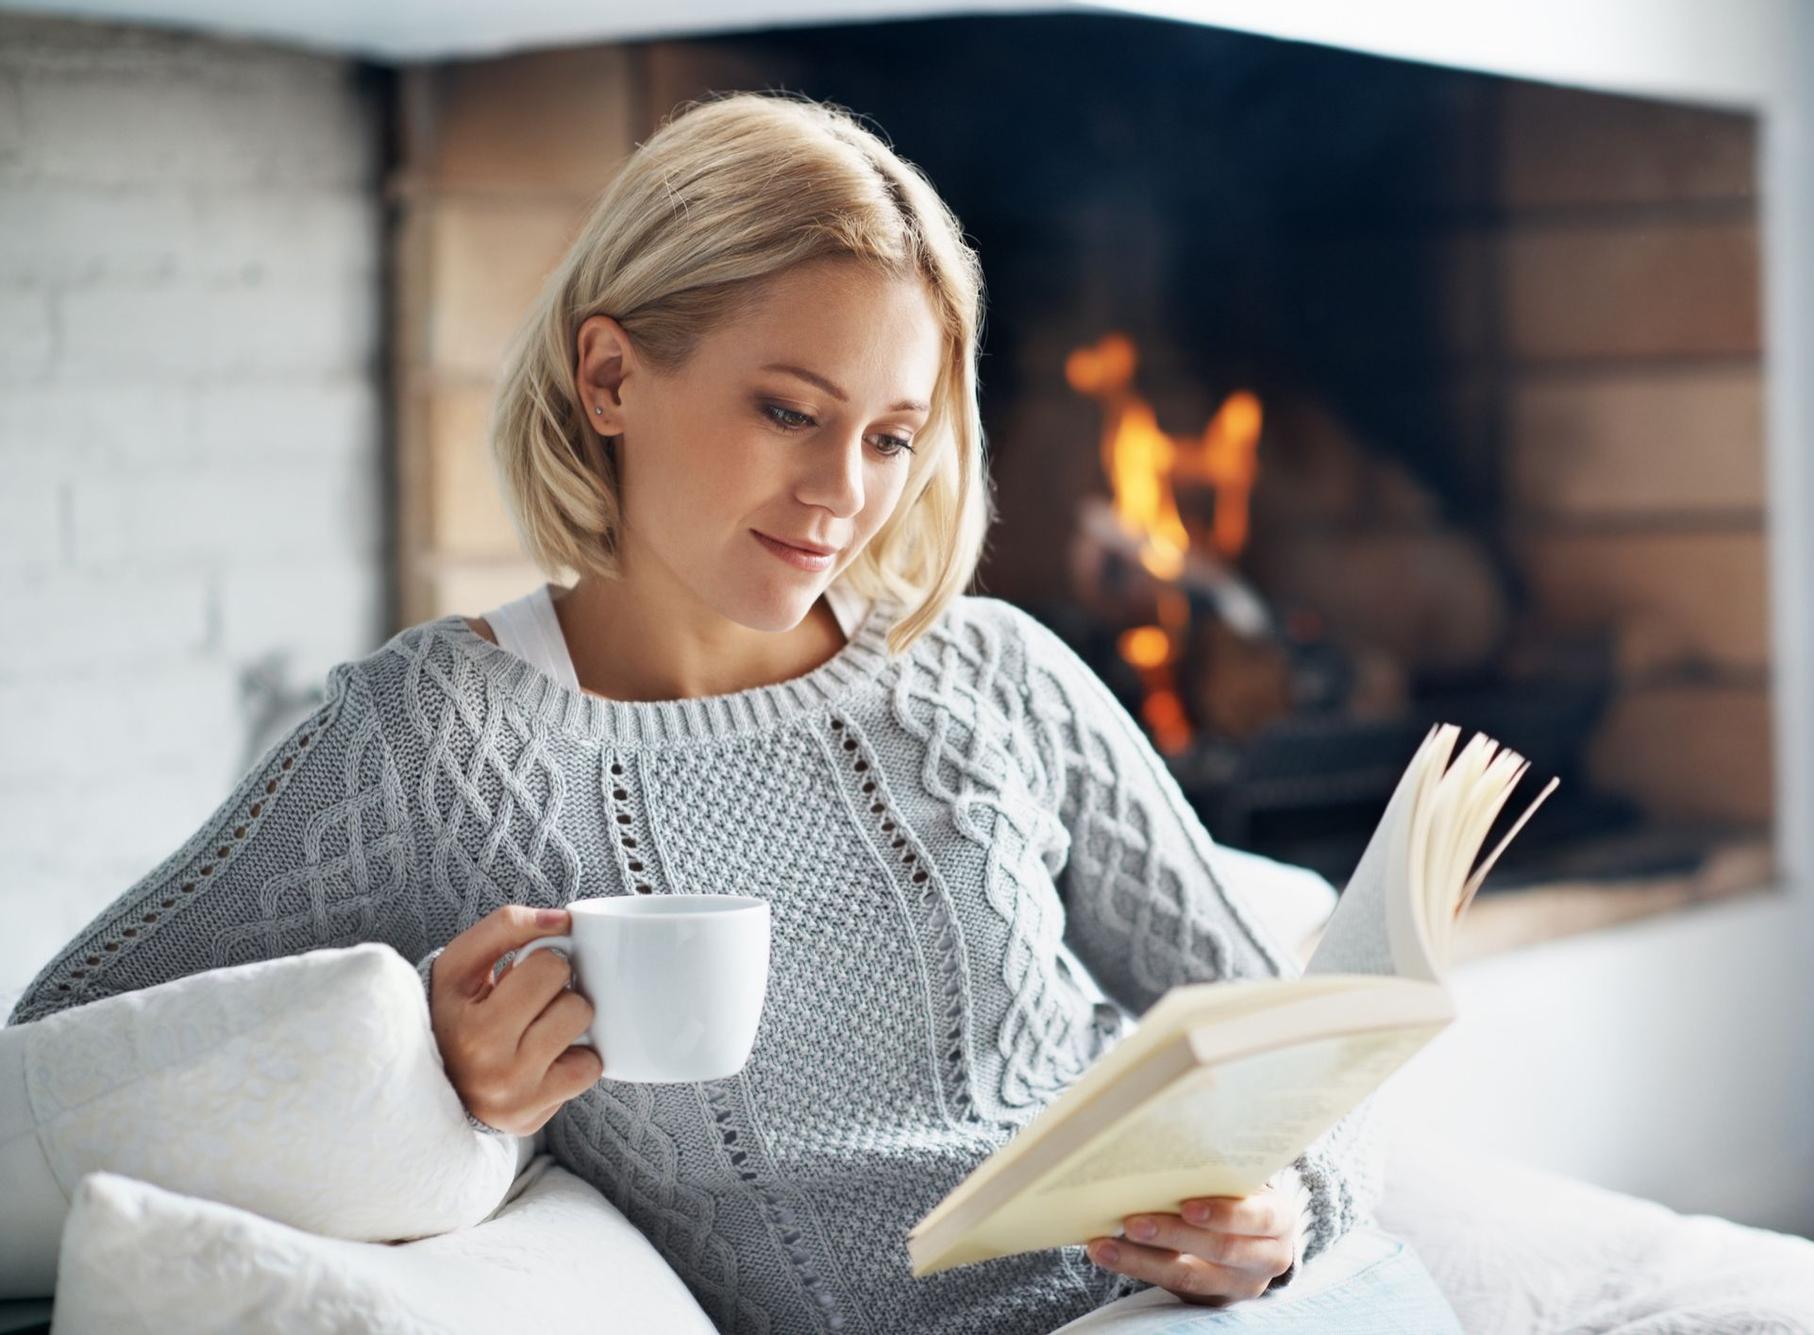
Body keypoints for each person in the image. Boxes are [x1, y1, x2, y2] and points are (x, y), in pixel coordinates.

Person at [6, 91, 1461, 1334]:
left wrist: (1289, 1207)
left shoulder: (991, 675)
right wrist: (438, 1085)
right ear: (611, 374)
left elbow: (1297, 1036)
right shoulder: (436, 741)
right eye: (788, 411)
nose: (844, 496)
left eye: (891, 438)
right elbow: (69, 1057)